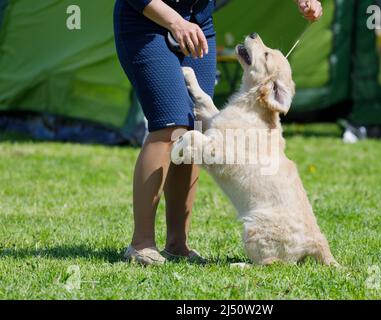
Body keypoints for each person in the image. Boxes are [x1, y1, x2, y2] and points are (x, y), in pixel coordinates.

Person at [113, 0, 323, 265]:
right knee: (170, 125)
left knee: (195, 126)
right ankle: (141, 245)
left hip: (197, 22)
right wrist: (176, 23)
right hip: (146, 21)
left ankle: (178, 244)